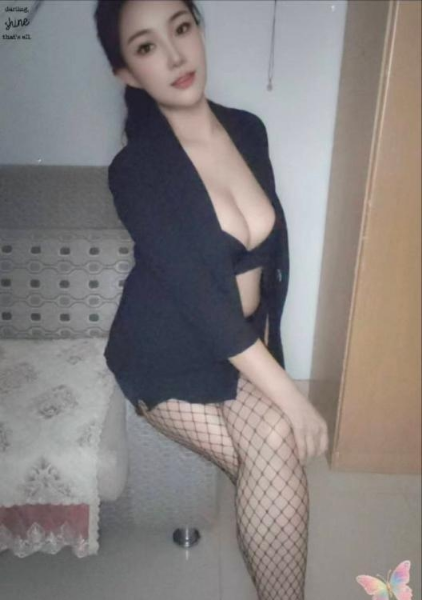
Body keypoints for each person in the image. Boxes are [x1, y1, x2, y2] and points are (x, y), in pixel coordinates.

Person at [94, 2, 329, 599]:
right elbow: (201, 302)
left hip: (236, 345)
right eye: (147, 47)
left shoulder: (248, 130)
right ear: (126, 72)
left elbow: (268, 261)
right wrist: (290, 396)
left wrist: (268, 358)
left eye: (181, 27)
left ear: (198, 29)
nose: (175, 55)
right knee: (275, 446)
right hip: (165, 353)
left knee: (268, 450)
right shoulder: (136, 171)